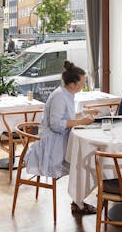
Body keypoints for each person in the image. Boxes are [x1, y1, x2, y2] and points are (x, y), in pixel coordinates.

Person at [24, 61, 96, 215]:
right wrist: (82, 121)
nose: (84, 85)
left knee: (85, 160)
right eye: (82, 83)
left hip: (60, 140)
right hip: (52, 147)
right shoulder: (59, 96)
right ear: (73, 84)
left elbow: (67, 117)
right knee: (84, 163)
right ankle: (78, 202)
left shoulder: (67, 95)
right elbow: (56, 124)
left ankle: (78, 200)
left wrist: (84, 114)